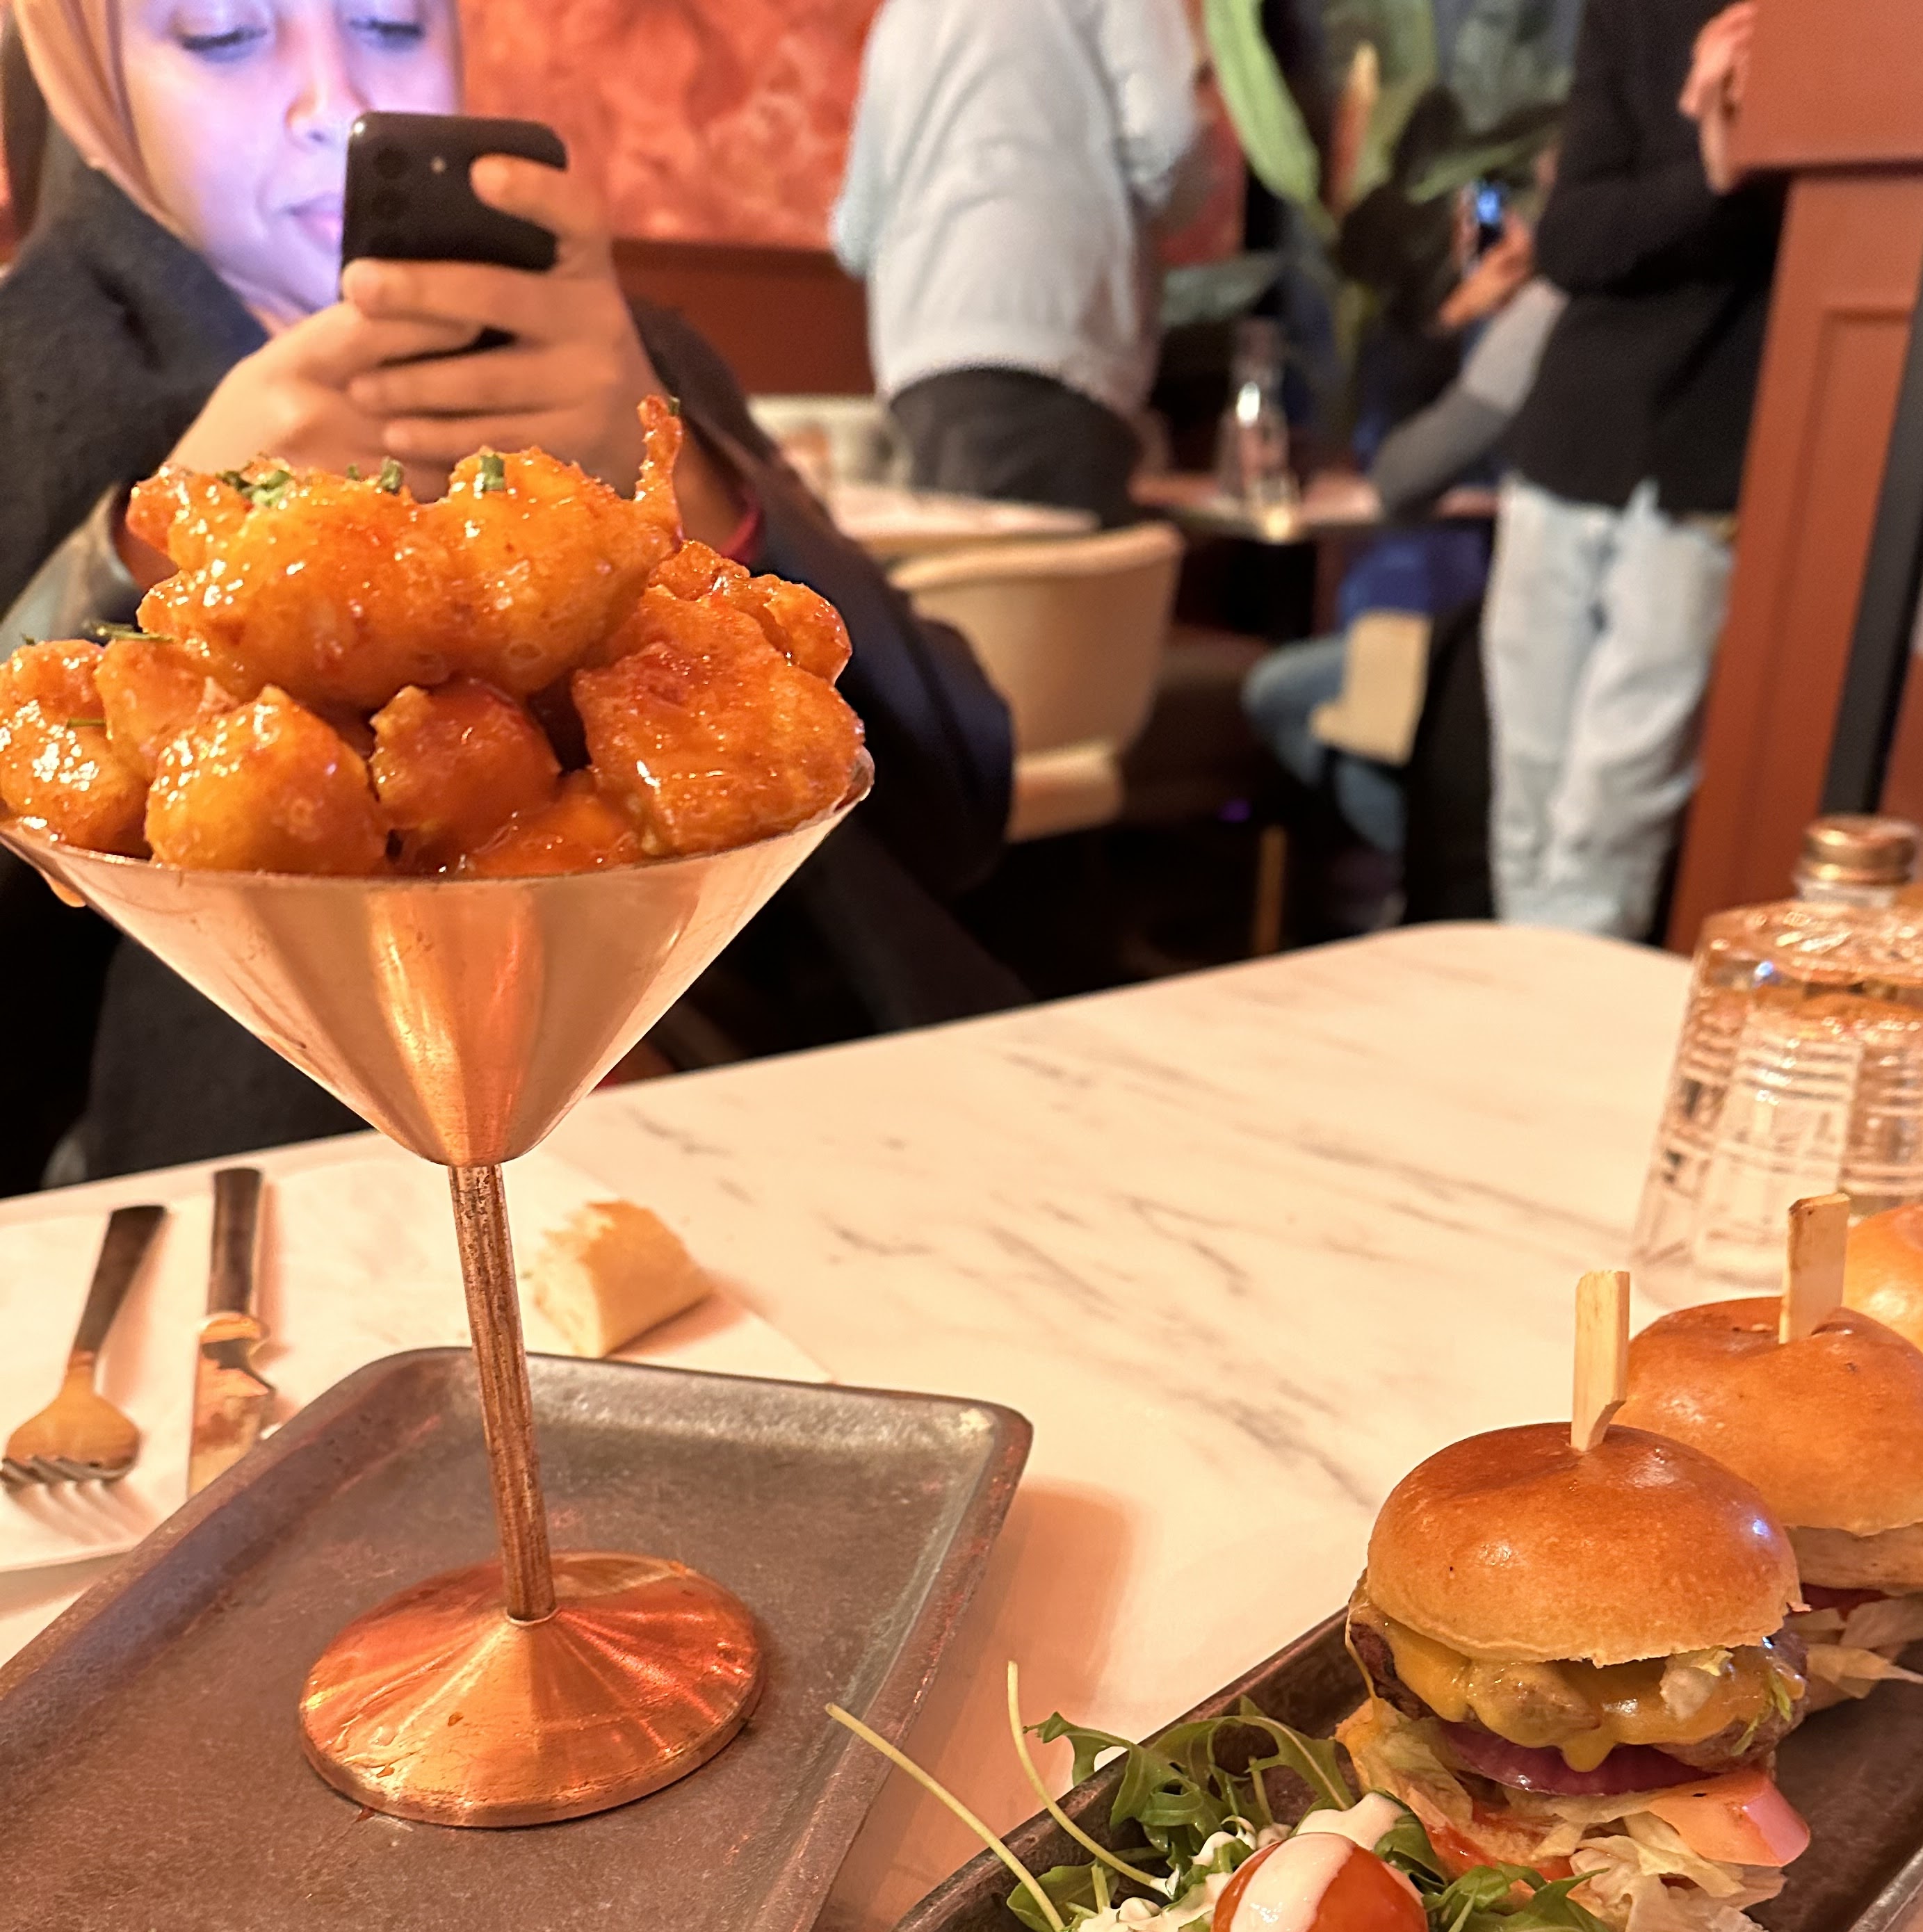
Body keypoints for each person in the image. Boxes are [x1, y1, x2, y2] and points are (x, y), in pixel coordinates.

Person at [0, 0, 1018, 1187]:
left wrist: (687, 483)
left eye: (391, 25)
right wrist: (128, 565)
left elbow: (960, 795)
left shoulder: (628, 352)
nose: (335, 105)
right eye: (223, 34)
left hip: (785, 1113)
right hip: (290, 1183)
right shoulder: (30, 375)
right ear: (89, 80)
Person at [1483, 0, 1778, 941]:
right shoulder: (1634, 11)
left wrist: (1749, 143)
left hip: (1711, 459)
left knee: (1611, 814)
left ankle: (1554, 1021)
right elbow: (1569, 239)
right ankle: (1521, 1008)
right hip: (1572, 440)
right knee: (1528, 800)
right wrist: (1708, 176)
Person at [1243, 239, 1564, 886]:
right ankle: (1436, 876)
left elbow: (1401, 474)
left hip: (1496, 638)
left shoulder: (1545, 312)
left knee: (1279, 694)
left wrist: (1457, 320)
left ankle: (1442, 877)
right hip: (1518, 629)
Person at [831, 0, 1201, 528]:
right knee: (1050, 580)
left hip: (919, 364)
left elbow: (854, 234)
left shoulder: (903, 14)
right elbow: (1169, 142)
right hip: (1053, 340)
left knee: (969, 578)